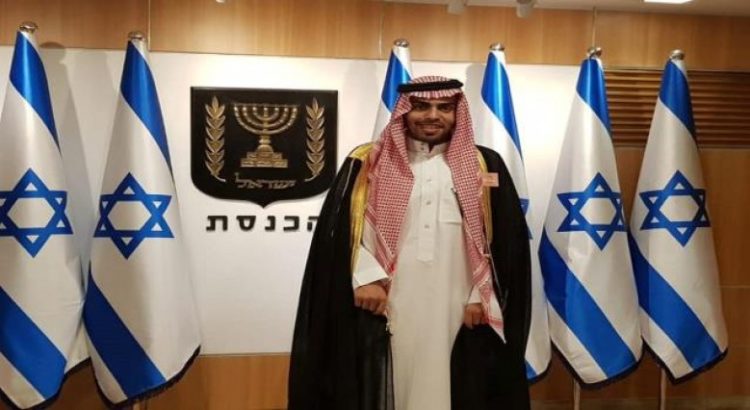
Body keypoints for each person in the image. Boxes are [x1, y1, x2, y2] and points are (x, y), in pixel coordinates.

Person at [289, 76, 531, 410]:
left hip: (459, 302)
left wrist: (482, 296)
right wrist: (365, 278)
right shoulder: (367, 161)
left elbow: (504, 241)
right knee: (387, 381)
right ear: (404, 111)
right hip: (387, 300)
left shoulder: (484, 164)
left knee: (456, 384)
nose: (433, 115)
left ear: (457, 113)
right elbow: (339, 233)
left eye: (444, 107)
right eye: (421, 107)